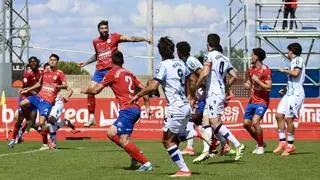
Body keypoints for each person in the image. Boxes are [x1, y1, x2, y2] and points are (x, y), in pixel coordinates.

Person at [130, 37, 210, 177]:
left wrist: (138, 95)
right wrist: (192, 96)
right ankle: (194, 133)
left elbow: (154, 86)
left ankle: (184, 170)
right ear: (172, 50)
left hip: (175, 107)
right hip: (185, 105)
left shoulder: (163, 65)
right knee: (175, 137)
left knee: (167, 141)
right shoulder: (180, 63)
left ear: (160, 52)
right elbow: (192, 80)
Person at [81, 51, 152, 171]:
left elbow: (95, 91)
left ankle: (146, 163)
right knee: (111, 133)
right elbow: (144, 90)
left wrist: (84, 90)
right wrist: (147, 106)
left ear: (111, 61)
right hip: (134, 109)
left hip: (128, 110)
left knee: (123, 140)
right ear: (123, 61)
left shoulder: (112, 73)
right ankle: (135, 153)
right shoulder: (129, 73)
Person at [78, 20, 151, 127]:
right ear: (98, 30)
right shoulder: (95, 42)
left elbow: (130, 38)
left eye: (106, 28)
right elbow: (98, 54)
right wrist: (86, 62)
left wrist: (144, 38)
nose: (104, 30)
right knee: (91, 92)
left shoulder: (114, 37)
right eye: (102, 28)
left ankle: (134, 108)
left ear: (108, 28)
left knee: (127, 90)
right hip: (99, 71)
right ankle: (92, 118)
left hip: (112, 70)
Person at [195, 33, 245, 161]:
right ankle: (206, 151)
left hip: (213, 93)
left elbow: (205, 73)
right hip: (219, 92)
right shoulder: (224, 57)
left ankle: (237, 144)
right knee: (205, 121)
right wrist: (226, 88)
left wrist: (196, 85)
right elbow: (234, 75)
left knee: (214, 122)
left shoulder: (210, 55)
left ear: (208, 44)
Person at [20, 54, 68, 150]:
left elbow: (65, 85)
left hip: (48, 101)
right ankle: (29, 120)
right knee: (23, 103)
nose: (52, 61)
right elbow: (39, 84)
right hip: (39, 97)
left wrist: (57, 86)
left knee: (42, 122)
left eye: (54, 60)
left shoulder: (60, 73)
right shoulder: (44, 72)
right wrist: (27, 90)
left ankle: (45, 144)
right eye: (50, 60)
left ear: (57, 62)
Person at [176, 41, 209, 156]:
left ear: (180, 51)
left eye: (177, 51)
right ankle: (214, 144)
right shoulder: (186, 61)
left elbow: (202, 74)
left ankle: (193, 147)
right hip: (200, 94)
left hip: (205, 95)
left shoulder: (190, 61)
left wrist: (195, 91)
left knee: (192, 120)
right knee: (200, 122)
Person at [274, 42, 305, 156]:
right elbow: (293, 81)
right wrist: (285, 89)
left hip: (296, 94)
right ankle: (282, 142)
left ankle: (290, 146)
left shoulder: (298, 60)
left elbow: (296, 73)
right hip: (289, 94)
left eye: (288, 51)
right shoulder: (293, 62)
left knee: (288, 119)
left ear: (292, 51)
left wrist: (284, 70)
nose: (287, 53)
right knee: (278, 115)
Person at [8, 56, 42, 148]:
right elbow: (24, 89)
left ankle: (21, 133)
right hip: (25, 97)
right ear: (29, 64)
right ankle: (12, 140)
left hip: (34, 98)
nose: (33, 63)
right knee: (20, 119)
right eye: (31, 62)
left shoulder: (40, 73)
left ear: (37, 62)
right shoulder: (27, 74)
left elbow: (39, 85)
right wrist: (33, 91)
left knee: (31, 123)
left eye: (34, 61)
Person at [243, 48, 272, 155]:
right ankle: (261, 143)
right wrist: (247, 85)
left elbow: (269, 88)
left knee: (255, 122)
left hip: (262, 101)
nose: (251, 56)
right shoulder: (250, 69)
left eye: (252, 55)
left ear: (257, 57)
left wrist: (257, 80)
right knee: (246, 124)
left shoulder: (266, 70)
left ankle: (260, 147)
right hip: (252, 100)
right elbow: (249, 82)